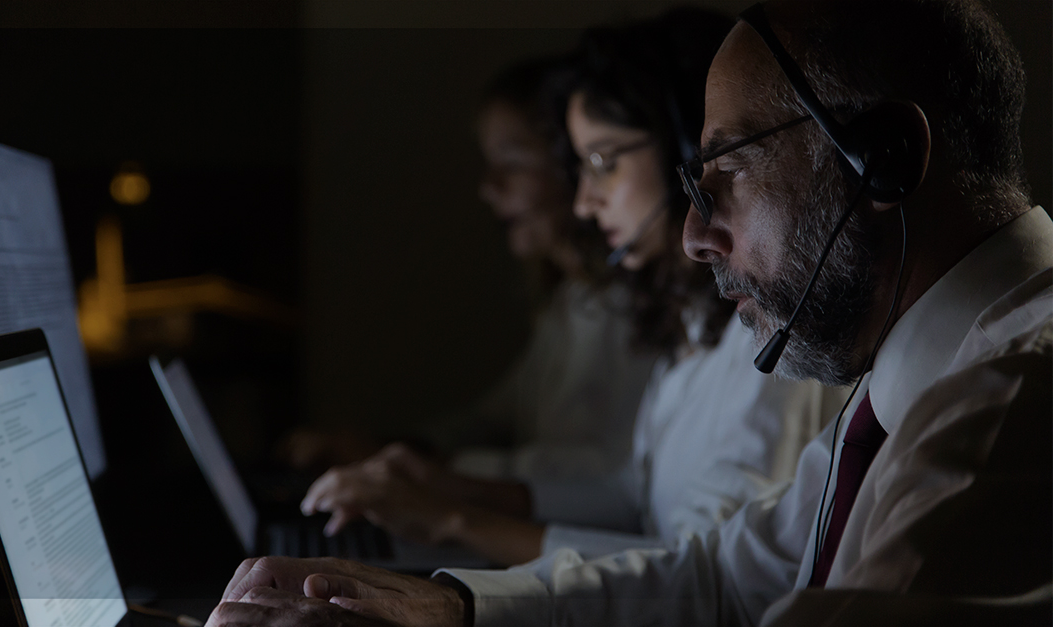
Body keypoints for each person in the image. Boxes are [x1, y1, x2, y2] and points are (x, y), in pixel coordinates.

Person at [206, 0, 1052, 625]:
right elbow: (726, 578)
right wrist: (452, 606)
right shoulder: (902, 384)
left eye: (725, 173)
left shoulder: (1000, 414)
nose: (694, 234)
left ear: (883, 162)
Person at [295, 10, 836, 569]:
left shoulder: (772, 344)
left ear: (685, 152)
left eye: (603, 163)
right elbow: (632, 490)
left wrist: (456, 521)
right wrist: (455, 488)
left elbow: (703, 575)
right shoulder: (694, 325)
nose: (583, 203)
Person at [282, 56, 659, 482]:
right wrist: (391, 451)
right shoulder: (570, 301)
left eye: (512, 162)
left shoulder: (632, 309)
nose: (489, 187)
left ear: (571, 165)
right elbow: (493, 417)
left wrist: (432, 469)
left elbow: (611, 473)